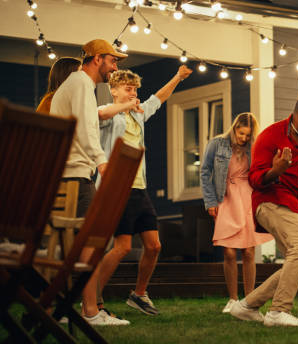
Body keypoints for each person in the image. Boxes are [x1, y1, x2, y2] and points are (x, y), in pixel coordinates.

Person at [93, 65, 193, 318]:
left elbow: (158, 99)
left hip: (139, 187)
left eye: (135, 89)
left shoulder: (137, 115)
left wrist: (177, 77)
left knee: (154, 245)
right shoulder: (108, 113)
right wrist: (127, 105)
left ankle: (139, 294)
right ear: (113, 91)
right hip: (116, 188)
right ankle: (93, 299)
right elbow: (101, 114)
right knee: (122, 247)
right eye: (128, 89)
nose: (133, 93)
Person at [229, 94, 298, 327]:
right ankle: (278, 312)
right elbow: (254, 179)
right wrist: (277, 170)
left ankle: (247, 306)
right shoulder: (271, 136)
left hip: (297, 208)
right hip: (269, 201)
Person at [50, 38, 128, 326]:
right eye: (113, 60)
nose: (115, 66)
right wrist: (103, 163)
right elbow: (84, 130)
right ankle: (91, 311)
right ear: (97, 59)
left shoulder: (77, 85)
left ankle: (58, 309)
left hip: (71, 174)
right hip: (75, 175)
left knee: (79, 243)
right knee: (92, 242)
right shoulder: (82, 84)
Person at [200, 112, 273, 313]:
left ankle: (249, 300)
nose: (244, 138)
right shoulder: (217, 144)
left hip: (248, 196)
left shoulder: (255, 147)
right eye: (241, 133)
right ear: (234, 128)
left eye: (248, 135)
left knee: (249, 250)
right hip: (225, 197)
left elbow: (263, 172)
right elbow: (205, 171)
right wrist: (210, 201)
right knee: (229, 251)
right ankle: (232, 299)